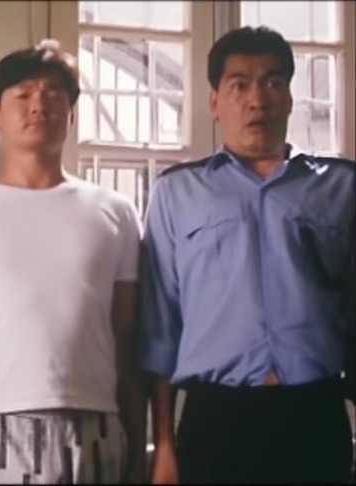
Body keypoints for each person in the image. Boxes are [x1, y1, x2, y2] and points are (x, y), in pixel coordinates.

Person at [0, 39, 146, 484]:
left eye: (54, 95)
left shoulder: (116, 212)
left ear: (72, 114)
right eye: (23, 95)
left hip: (95, 421)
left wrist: (140, 445)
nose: (39, 106)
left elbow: (127, 338)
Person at [140, 26, 355, 484]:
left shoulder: (341, 186)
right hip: (216, 417)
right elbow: (160, 329)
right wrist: (164, 447)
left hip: (314, 414)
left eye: (273, 82)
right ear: (214, 102)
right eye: (239, 85)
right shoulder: (177, 192)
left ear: (291, 98)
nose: (258, 100)